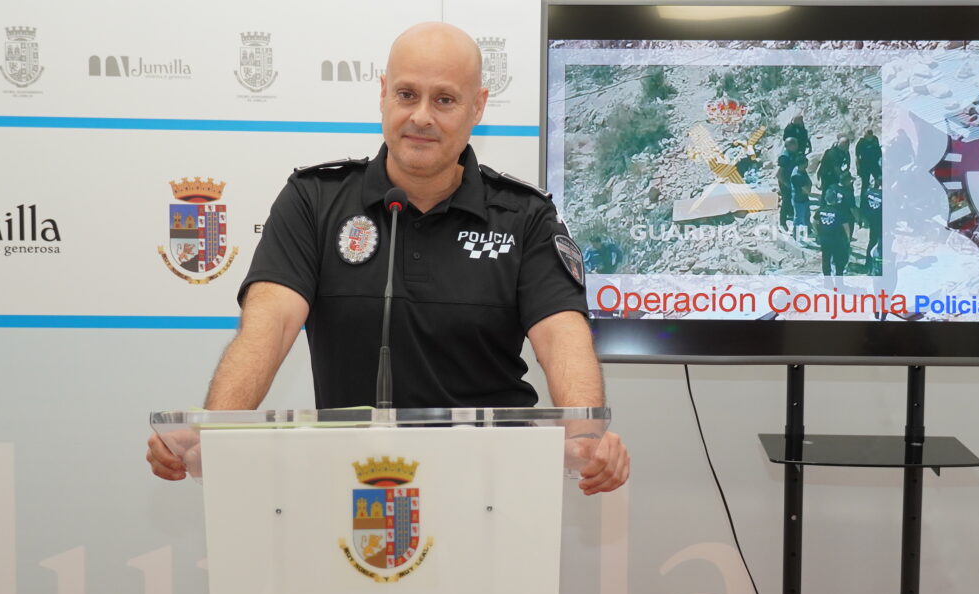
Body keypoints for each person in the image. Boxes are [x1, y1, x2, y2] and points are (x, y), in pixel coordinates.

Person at [146, 23, 629, 495]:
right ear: (382, 94)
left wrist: (584, 435)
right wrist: (217, 428)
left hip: (490, 490)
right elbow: (266, 329)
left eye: (444, 99)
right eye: (406, 94)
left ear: (478, 106)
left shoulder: (525, 215)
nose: (421, 116)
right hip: (354, 488)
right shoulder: (313, 200)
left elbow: (562, 337)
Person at [855, 128, 881, 195]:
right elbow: (857, 157)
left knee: (879, 179)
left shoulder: (875, 139)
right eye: (867, 135)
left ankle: (876, 193)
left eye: (871, 135)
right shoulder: (861, 142)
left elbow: (878, 151)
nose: (869, 137)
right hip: (864, 165)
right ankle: (863, 200)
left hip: (874, 164)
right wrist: (858, 168)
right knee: (865, 183)